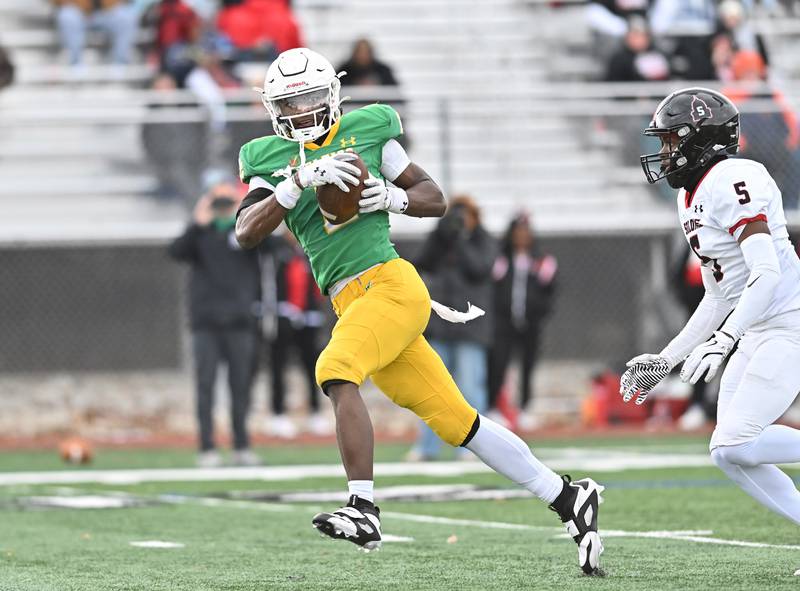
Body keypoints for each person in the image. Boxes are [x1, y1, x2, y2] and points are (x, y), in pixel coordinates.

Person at [235, 47, 605, 575]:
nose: (303, 111)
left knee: (335, 369)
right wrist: (296, 183)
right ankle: (568, 496)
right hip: (350, 300)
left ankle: (363, 508)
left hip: (391, 286)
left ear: (334, 94)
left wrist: (389, 196)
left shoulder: (367, 131)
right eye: (291, 103)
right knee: (458, 423)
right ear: (275, 109)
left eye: (312, 97)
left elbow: (434, 198)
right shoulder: (270, 158)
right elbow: (246, 232)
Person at [623, 88, 800, 526]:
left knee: (738, 443)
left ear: (699, 139)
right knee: (726, 451)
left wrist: (724, 340)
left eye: (670, 141)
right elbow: (718, 295)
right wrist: (665, 361)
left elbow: (767, 273)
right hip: (759, 327)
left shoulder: (735, 178)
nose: (664, 153)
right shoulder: (689, 198)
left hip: (790, 321)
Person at [168, 174, 262, 468]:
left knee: (241, 387)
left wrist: (244, 211)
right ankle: (207, 447)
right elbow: (175, 251)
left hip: (239, 321)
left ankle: (241, 446)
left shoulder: (244, 233)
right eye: (217, 199)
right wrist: (199, 220)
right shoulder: (200, 234)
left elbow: (275, 246)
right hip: (205, 322)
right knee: (205, 385)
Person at [407, 196, 495, 461]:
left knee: (470, 389)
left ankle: (472, 448)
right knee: (430, 389)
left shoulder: (483, 241)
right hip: (440, 327)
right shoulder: (441, 240)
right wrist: (441, 234)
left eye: (464, 215)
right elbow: (422, 263)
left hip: (471, 329)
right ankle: (427, 447)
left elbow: (479, 268)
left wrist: (461, 240)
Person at [488, 213, 557, 431]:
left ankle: (525, 408)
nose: (521, 237)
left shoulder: (541, 260)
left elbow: (550, 290)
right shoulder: (501, 259)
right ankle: (493, 407)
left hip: (530, 323)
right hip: (504, 322)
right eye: (517, 232)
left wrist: (540, 312)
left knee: (528, 365)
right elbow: (492, 285)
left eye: (525, 233)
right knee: (499, 363)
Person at [267, 232, 330, 438]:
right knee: (279, 365)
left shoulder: (311, 247)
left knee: (312, 367)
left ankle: (315, 412)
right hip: (283, 315)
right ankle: (278, 414)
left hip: (308, 317)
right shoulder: (274, 248)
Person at [52, 0, 139, 67]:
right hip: (79, 13)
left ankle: (120, 63)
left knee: (127, 16)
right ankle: (75, 63)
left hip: (108, 12)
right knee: (67, 16)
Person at [605, 17, 670, 82]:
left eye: (641, 35)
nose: (637, 40)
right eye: (633, 35)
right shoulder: (619, 59)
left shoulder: (658, 56)